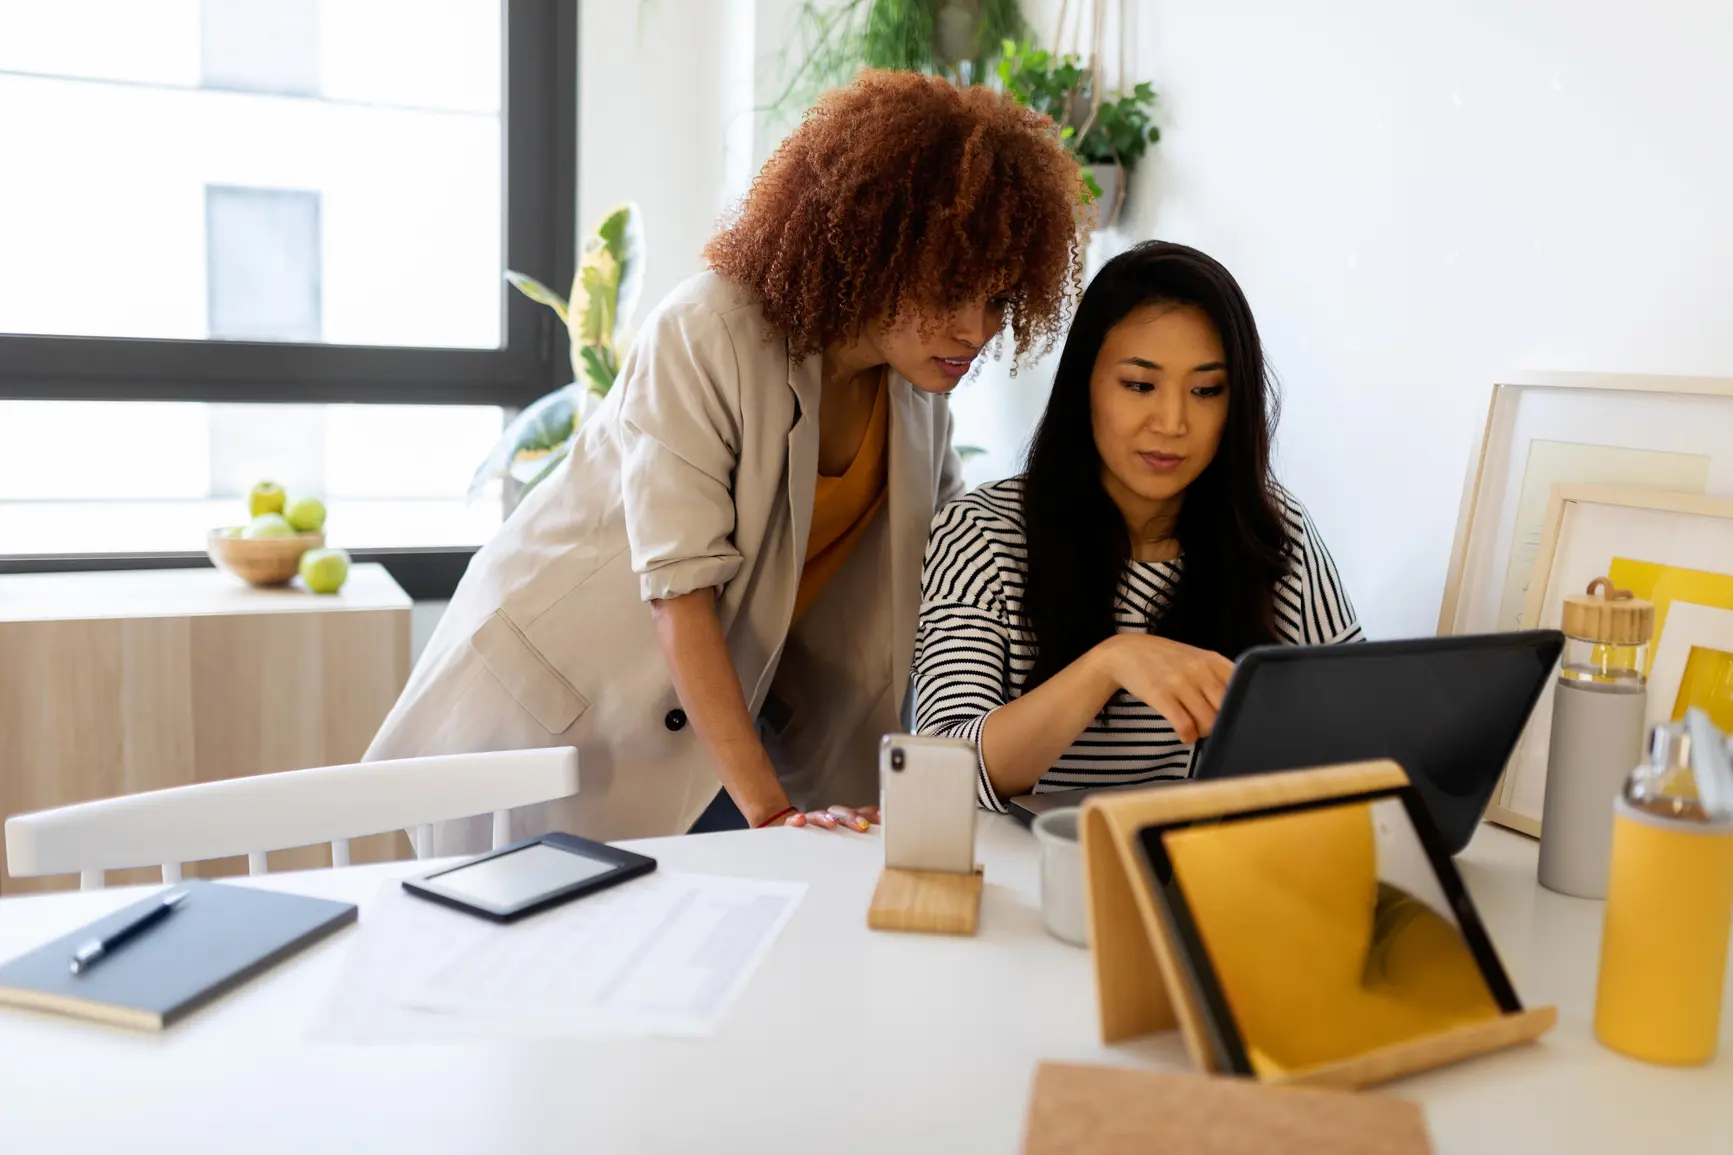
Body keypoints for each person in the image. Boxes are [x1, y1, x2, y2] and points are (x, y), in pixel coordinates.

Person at [364, 71, 1085, 852]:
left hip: (711, 724)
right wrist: (771, 811)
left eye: (999, 301)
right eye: (952, 290)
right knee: (523, 950)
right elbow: (680, 596)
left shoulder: (919, 399)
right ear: (876, 247)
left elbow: (943, 582)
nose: (976, 329)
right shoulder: (707, 330)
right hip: (559, 700)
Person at [912, 241, 1362, 811]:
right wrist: (1111, 661)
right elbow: (937, 768)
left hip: (1208, 878)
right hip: (1025, 878)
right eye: (1140, 385)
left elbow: (1354, 733)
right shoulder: (980, 534)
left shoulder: (1274, 531)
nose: (1172, 422)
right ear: (1085, 388)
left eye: (1205, 391)